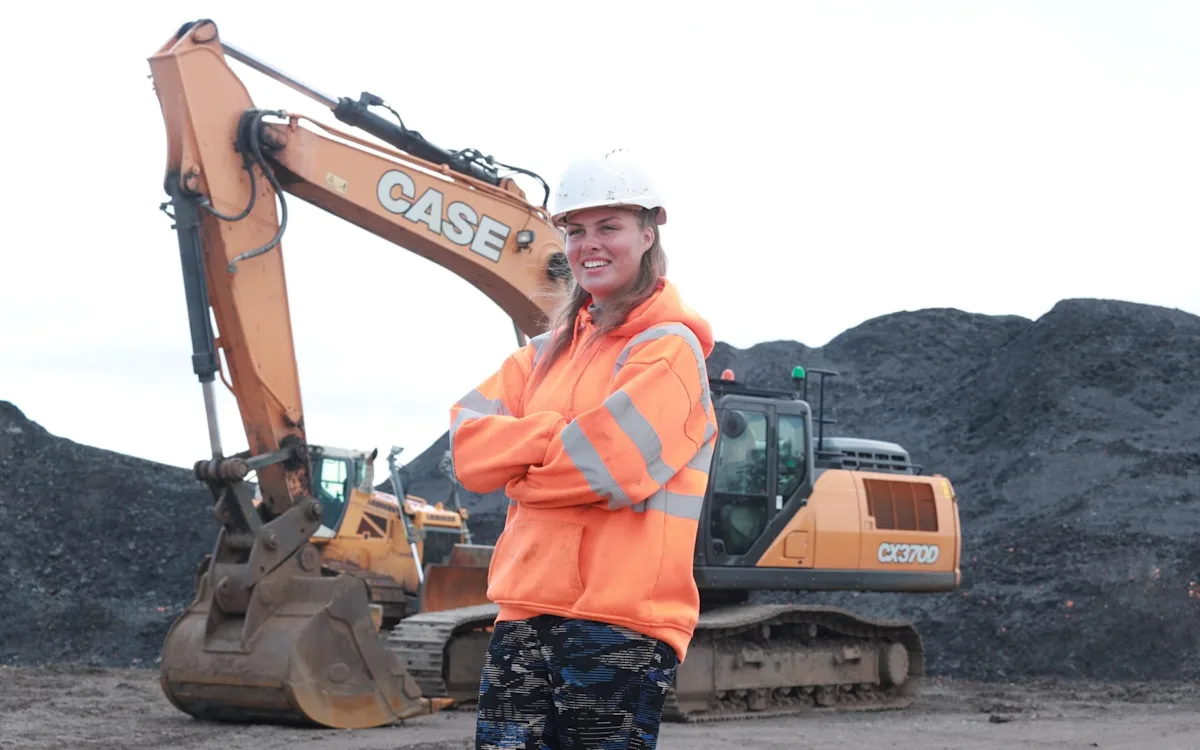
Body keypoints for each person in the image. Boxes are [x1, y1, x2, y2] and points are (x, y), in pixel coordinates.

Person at [448, 148, 717, 750]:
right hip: (522, 613)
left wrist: (520, 461)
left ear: (649, 233)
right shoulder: (543, 353)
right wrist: (558, 437)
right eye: (575, 231)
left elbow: (606, 467)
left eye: (609, 227)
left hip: (617, 621)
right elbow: (468, 449)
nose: (589, 244)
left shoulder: (669, 350)